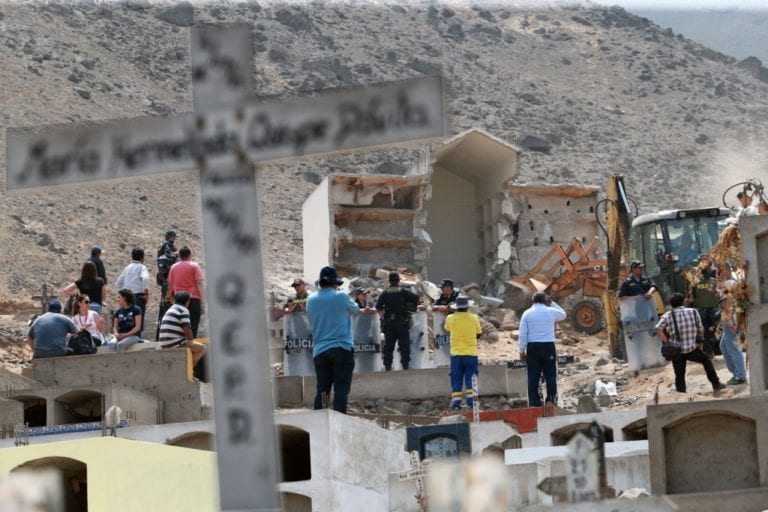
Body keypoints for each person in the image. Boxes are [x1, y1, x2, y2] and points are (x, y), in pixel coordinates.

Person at [306, 266, 358, 414]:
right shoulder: (341, 297)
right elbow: (355, 309)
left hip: (320, 350)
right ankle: (339, 422)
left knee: (323, 389)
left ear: (320, 283)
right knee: (341, 388)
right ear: (335, 283)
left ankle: (320, 421)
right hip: (341, 347)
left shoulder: (311, 300)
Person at [655, 292, 726, 393]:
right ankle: (716, 384)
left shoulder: (668, 315)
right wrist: (700, 344)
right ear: (683, 301)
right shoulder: (693, 311)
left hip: (677, 351)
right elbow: (701, 329)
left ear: (671, 305)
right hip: (692, 348)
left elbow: (658, 328)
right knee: (706, 361)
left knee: (679, 374)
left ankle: (681, 393)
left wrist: (667, 341)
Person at [518, 292, 567, 406]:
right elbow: (563, 315)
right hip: (548, 346)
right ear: (546, 300)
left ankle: (535, 404)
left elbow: (522, 334)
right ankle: (551, 401)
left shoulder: (527, 313)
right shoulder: (551, 311)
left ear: (533, 301)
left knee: (532, 376)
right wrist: (552, 303)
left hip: (533, 347)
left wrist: (521, 350)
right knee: (551, 375)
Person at [375, 271, 420, 371]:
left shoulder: (385, 293)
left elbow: (378, 307)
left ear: (389, 281)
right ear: (399, 280)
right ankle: (405, 367)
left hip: (389, 323)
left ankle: (388, 367)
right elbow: (416, 299)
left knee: (389, 346)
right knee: (404, 345)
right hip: (402, 322)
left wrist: (383, 318)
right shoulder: (403, 291)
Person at [444, 295, 482, 411]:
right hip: (471, 354)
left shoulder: (450, 318)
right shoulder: (474, 317)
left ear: (456, 307)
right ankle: (471, 403)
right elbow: (478, 333)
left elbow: (447, 329)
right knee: (471, 378)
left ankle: (456, 403)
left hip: (456, 354)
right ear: (467, 307)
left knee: (456, 378)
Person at [159, 291, 208, 369]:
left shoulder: (171, 309)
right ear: (187, 301)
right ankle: (188, 369)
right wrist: (191, 339)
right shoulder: (183, 310)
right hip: (174, 343)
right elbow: (187, 328)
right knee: (202, 348)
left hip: (163, 343)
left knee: (191, 347)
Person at [166, 246, 205, 337]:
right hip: (193, 299)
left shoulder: (173, 267)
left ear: (179, 256)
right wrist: (203, 298)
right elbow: (199, 283)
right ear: (190, 255)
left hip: (178, 300)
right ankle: (192, 343)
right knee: (193, 323)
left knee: (180, 324)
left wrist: (169, 297)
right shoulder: (194, 266)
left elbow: (170, 284)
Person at [718, 269, 747, 385]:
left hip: (730, 317)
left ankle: (740, 376)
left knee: (733, 348)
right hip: (731, 316)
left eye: (719, 272)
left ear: (725, 272)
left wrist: (729, 320)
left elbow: (729, 302)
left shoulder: (728, 283)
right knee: (724, 346)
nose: (717, 275)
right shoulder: (731, 282)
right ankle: (736, 373)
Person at [115, 248, 150, 332]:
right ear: (142, 258)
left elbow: (118, 283)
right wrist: (146, 294)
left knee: (126, 320)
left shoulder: (127, 268)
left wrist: (123, 294)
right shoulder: (142, 267)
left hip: (126, 297)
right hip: (138, 296)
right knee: (137, 320)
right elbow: (145, 278)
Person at [156, 230, 179, 302]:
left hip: (162, 270)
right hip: (166, 269)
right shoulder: (166, 243)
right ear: (171, 237)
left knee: (165, 286)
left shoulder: (164, 244)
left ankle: (165, 301)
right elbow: (169, 253)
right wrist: (176, 254)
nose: (174, 238)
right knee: (168, 285)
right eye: (173, 237)